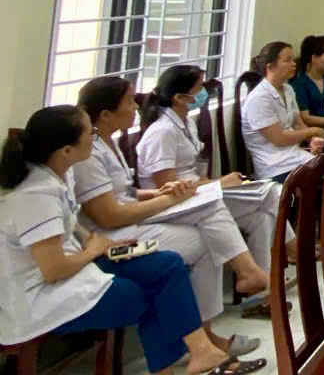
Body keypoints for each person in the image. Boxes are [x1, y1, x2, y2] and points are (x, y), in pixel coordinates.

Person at [0, 106, 265, 375]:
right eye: (89, 133)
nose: (94, 138)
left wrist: (96, 242)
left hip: (77, 267)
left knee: (168, 264)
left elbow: (70, 220)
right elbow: (53, 270)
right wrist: (93, 250)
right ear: (66, 150)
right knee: (150, 294)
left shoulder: (57, 173)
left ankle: (202, 353)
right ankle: (194, 357)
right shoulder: (37, 195)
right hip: (42, 297)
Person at [73, 76, 263, 356]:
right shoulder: (89, 152)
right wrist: (166, 200)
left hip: (131, 217)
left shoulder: (107, 142)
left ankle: (211, 327)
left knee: (207, 211)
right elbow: (108, 216)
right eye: (129, 101)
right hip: (113, 235)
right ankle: (209, 329)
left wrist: (158, 192)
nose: (136, 107)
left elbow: (125, 191)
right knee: (206, 234)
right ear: (105, 114)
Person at [136, 65, 297, 290]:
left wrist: (216, 183)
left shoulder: (186, 123)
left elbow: (194, 172)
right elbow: (168, 186)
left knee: (261, 217)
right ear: (180, 97)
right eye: (199, 88)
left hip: (197, 192)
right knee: (271, 192)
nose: (204, 92)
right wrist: (218, 184)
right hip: (176, 203)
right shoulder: (161, 132)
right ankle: (296, 250)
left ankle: (263, 290)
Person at [241, 41, 324, 235]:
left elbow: (298, 124)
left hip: (296, 152)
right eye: (287, 60)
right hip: (276, 165)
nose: (293, 63)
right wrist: (312, 132)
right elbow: (278, 138)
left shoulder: (287, 90)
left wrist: (312, 141)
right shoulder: (259, 99)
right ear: (270, 66)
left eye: (293, 59)